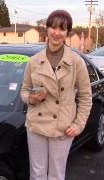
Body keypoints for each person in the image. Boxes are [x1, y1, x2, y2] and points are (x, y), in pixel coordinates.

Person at [21, 10, 92, 180]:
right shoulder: (34, 61)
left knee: (56, 175)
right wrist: (31, 98)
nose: (57, 33)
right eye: (53, 27)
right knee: (37, 173)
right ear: (47, 29)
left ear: (68, 33)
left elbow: (86, 97)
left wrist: (79, 124)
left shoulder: (76, 62)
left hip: (62, 127)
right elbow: (24, 90)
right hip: (36, 124)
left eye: (62, 29)